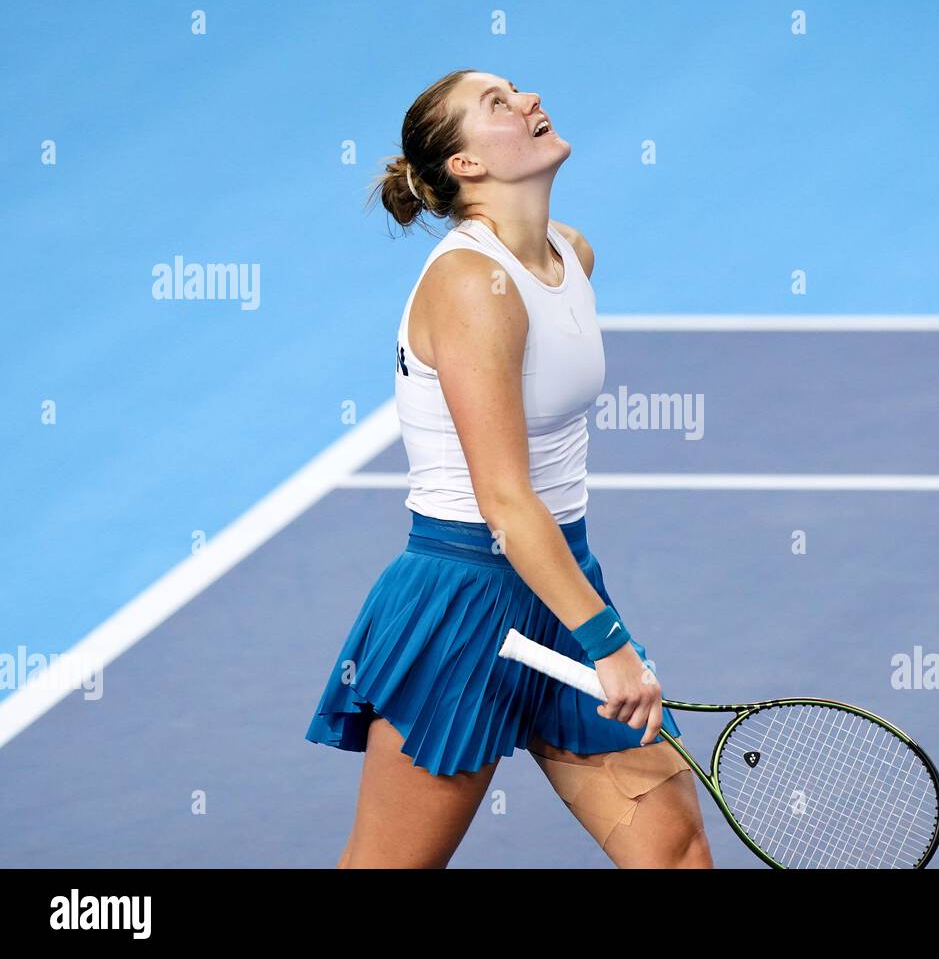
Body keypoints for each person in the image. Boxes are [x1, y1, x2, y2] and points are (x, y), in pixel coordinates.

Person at [304, 69, 714, 869]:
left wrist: (591, 622)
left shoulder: (572, 254)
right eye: (497, 104)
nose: (527, 100)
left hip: (561, 573)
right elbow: (503, 499)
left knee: (673, 850)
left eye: (519, 89)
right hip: (461, 602)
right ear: (465, 165)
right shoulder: (470, 284)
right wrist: (610, 643)